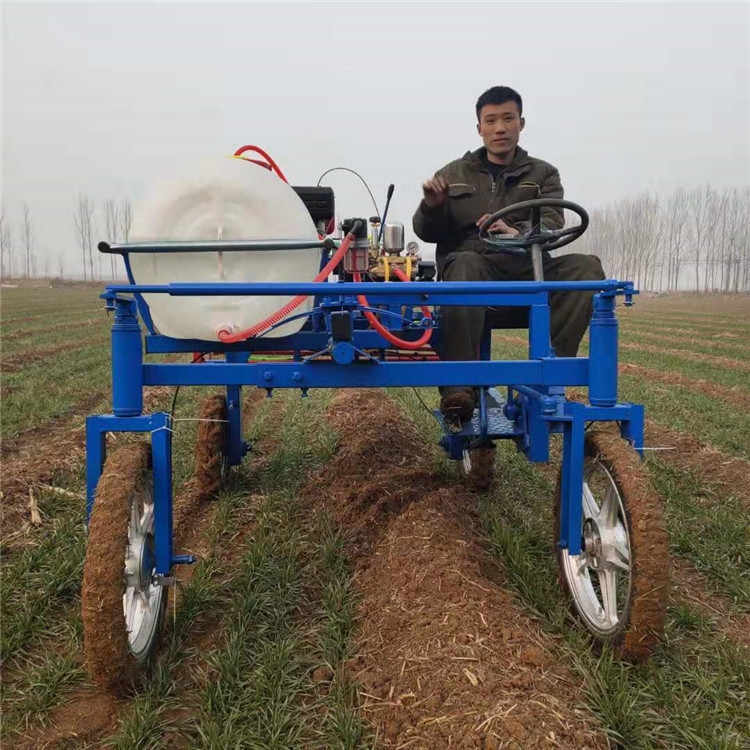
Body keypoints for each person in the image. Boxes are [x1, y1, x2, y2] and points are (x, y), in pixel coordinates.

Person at [413, 85, 605, 421]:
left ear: (521, 123)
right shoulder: (452, 173)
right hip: (476, 272)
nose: (500, 128)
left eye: (507, 118)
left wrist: (518, 233)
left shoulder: (543, 174)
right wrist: (431, 206)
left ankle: (551, 376)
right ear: (479, 128)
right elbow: (427, 232)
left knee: (586, 267)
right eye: (491, 120)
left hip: (530, 269)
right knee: (465, 264)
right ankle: (460, 389)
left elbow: (552, 220)